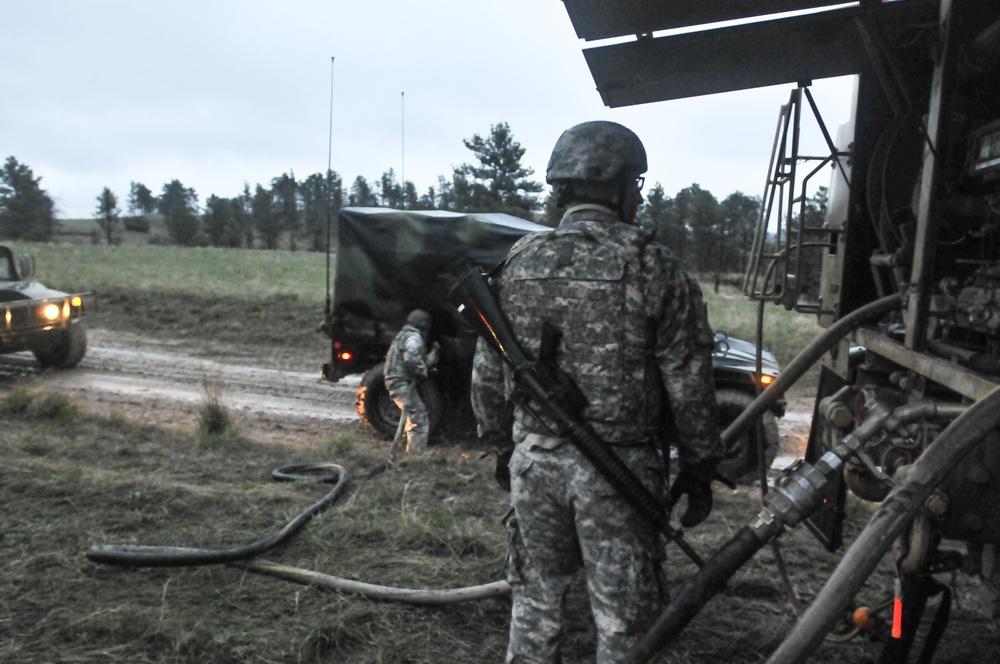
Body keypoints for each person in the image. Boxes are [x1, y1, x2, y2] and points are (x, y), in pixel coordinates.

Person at [470, 120, 724, 663]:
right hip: (619, 472)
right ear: (619, 185)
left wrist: (499, 444)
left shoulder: (519, 261)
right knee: (624, 625)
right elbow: (687, 380)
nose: (640, 195)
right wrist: (699, 468)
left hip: (534, 464)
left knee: (536, 606)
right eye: (637, 183)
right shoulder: (653, 265)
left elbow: (489, 371)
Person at [384, 308, 438, 454]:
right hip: (399, 382)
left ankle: (408, 449)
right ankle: (415, 456)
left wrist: (432, 356)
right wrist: (423, 371)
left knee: (412, 416)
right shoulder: (414, 337)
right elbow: (412, 358)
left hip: (397, 380)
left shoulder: (403, 335)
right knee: (418, 418)